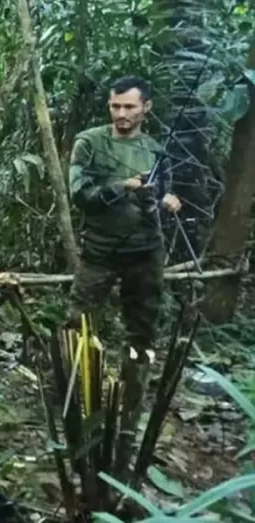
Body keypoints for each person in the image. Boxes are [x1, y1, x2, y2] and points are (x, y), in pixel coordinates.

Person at [68, 75, 181, 353]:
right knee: (77, 325)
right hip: (100, 248)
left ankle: (133, 390)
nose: (121, 113)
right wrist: (122, 186)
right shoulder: (90, 143)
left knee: (143, 332)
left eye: (129, 107)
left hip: (145, 250)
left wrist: (168, 200)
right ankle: (71, 388)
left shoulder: (155, 150)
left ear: (146, 107)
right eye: (115, 106)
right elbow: (80, 195)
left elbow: (162, 194)